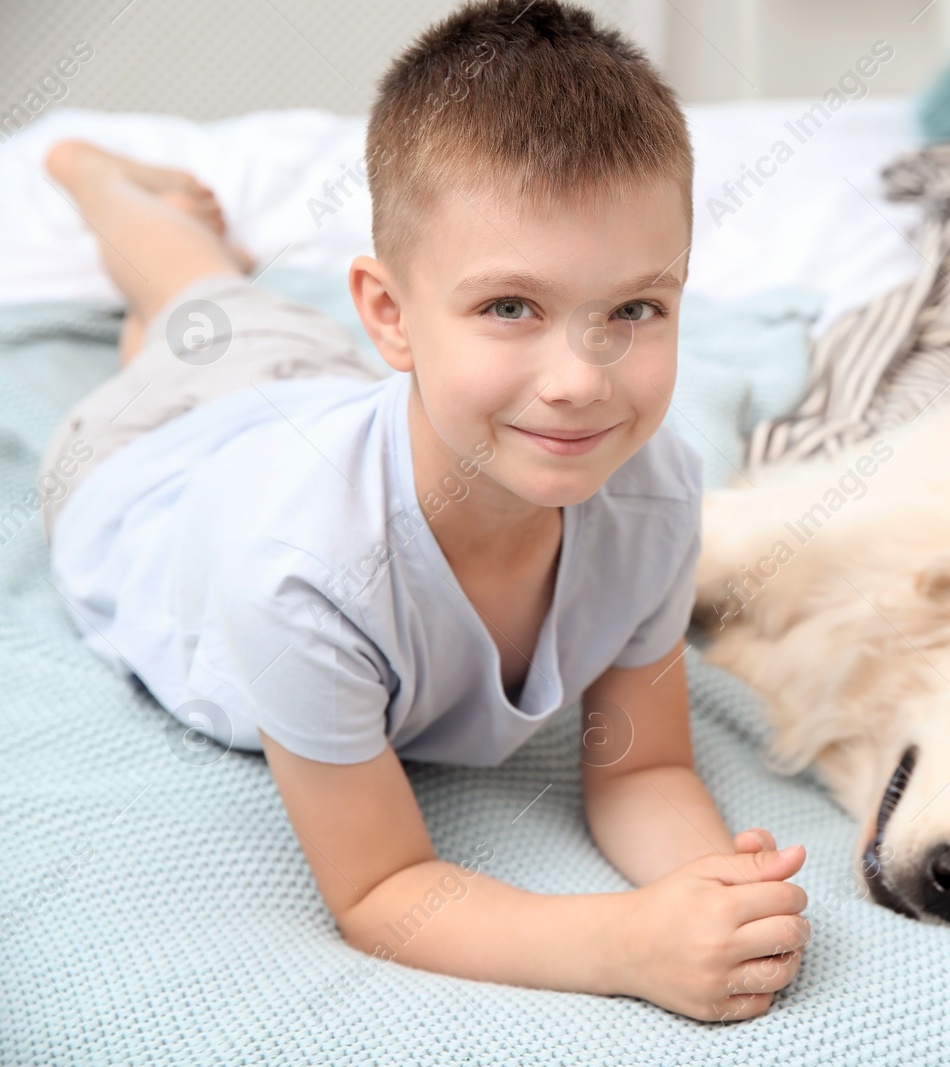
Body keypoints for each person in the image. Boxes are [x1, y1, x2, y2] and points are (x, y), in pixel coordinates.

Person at [38, 0, 808, 1023]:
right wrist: (623, 943)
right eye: (509, 307)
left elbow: (645, 764)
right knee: (186, 313)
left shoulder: (655, 488)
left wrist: (713, 894)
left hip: (318, 399)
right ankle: (99, 181)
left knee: (232, 322)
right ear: (388, 314)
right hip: (149, 470)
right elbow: (379, 891)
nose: (579, 381)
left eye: (634, 308)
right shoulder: (300, 577)